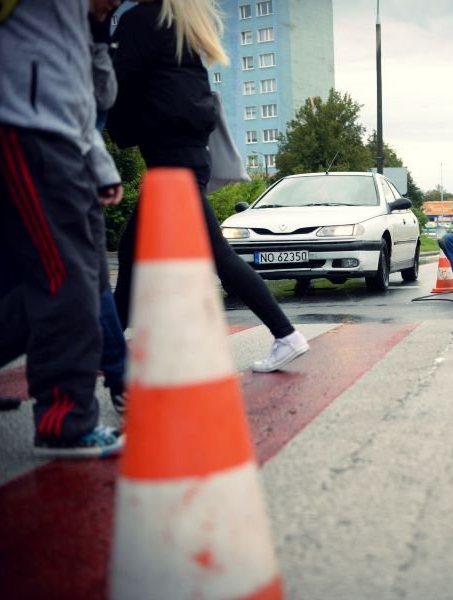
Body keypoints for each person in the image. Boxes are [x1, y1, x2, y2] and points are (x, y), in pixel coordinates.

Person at [107, 0, 308, 372]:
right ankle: (108, 348)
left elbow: (113, 84)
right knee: (131, 253)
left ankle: (286, 334)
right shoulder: (176, 23)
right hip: (182, 156)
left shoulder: (144, 19)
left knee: (217, 254)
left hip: (173, 162)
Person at [0, 0, 124, 457]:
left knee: (81, 285)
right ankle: (63, 424)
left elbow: (92, 96)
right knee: (66, 283)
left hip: (71, 149)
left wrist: (99, 164)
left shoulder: (80, 17)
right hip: (23, 133)